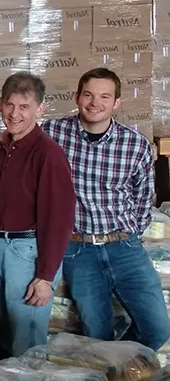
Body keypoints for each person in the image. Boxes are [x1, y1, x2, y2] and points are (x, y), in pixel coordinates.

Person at [40, 68, 170, 350]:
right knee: (96, 335)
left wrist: (129, 232)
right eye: (88, 94)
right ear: (77, 97)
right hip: (78, 250)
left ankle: (117, 368)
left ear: (116, 102)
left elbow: (143, 199)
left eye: (104, 96)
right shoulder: (52, 133)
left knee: (158, 329)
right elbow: (20, 140)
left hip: (125, 248)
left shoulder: (136, 145)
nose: (94, 102)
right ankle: (106, 376)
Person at [0, 72, 76, 357]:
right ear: (0, 105)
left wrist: (46, 276)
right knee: (5, 333)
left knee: (26, 342)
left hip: (27, 252)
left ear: (41, 109)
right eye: (10, 105)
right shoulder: (4, 150)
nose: (15, 114)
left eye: (24, 107)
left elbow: (59, 219)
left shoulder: (48, 153)